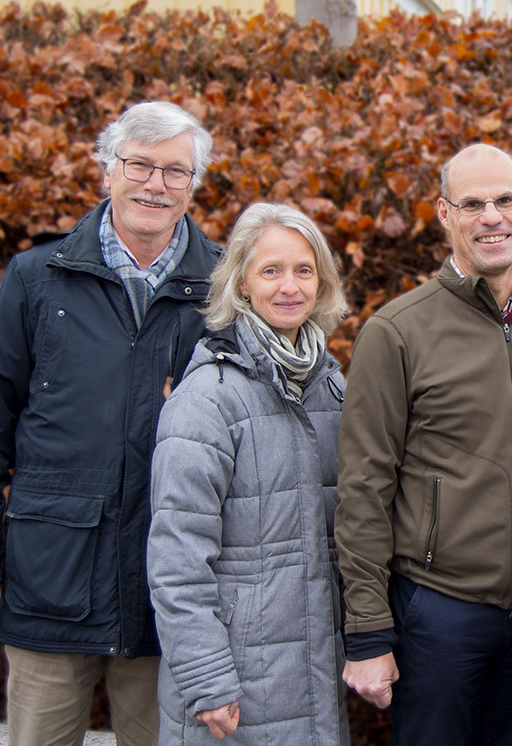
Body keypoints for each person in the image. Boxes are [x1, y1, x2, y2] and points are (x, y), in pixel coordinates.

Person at [334, 143, 512, 745]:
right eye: (472, 204)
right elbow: (363, 489)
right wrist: (369, 632)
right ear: (445, 214)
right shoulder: (396, 332)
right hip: (438, 614)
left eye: (505, 201)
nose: (491, 217)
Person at [0, 101, 220, 745]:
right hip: (50, 577)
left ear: (193, 185)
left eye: (174, 172)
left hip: (169, 587)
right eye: (140, 165)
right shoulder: (37, 278)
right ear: (108, 172)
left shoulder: (225, 287)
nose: (155, 184)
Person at [147, 202, 350, 743]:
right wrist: (206, 678)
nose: (290, 286)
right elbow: (176, 560)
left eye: (304, 270)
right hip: (234, 683)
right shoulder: (206, 400)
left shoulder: (333, 389)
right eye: (271, 271)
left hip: (316, 672)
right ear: (240, 283)